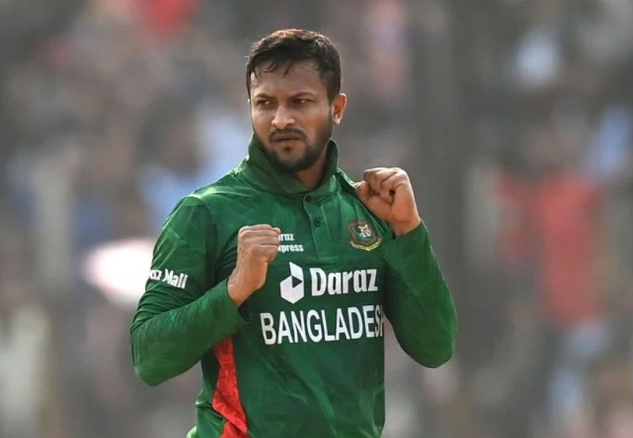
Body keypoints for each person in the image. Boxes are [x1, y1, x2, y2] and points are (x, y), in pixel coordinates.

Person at [130, 28, 457, 438]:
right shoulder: (207, 213)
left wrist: (409, 233)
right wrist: (232, 291)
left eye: (300, 102)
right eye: (265, 103)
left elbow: (435, 347)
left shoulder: (369, 212)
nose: (281, 119)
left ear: (337, 108)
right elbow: (149, 358)